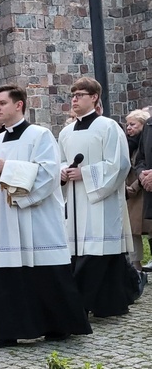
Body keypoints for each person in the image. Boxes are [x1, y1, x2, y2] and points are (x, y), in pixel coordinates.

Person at [0, 85, 91, 349]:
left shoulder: (39, 136)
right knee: (3, 275)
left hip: (36, 218)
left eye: (2, 103)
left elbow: (49, 175)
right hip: (4, 218)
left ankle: (58, 326)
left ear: (19, 105)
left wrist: (8, 170)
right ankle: (5, 331)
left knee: (44, 274)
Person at [58, 77, 134, 317]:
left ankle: (95, 303)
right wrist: (62, 172)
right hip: (74, 200)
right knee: (78, 253)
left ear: (94, 98)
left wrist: (86, 174)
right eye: (72, 95)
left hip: (100, 202)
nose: (74, 99)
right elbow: (59, 159)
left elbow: (120, 164)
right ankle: (104, 302)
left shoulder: (108, 127)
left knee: (99, 255)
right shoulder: (65, 132)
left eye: (80, 94)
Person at [124, 109, 151, 272]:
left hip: (144, 192)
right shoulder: (128, 145)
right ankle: (136, 267)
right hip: (131, 196)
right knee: (133, 232)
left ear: (143, 124)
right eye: (127, 125)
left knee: (150, 228)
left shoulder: (147, 139)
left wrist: (136, 185)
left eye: (133, 124)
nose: (129, 128)